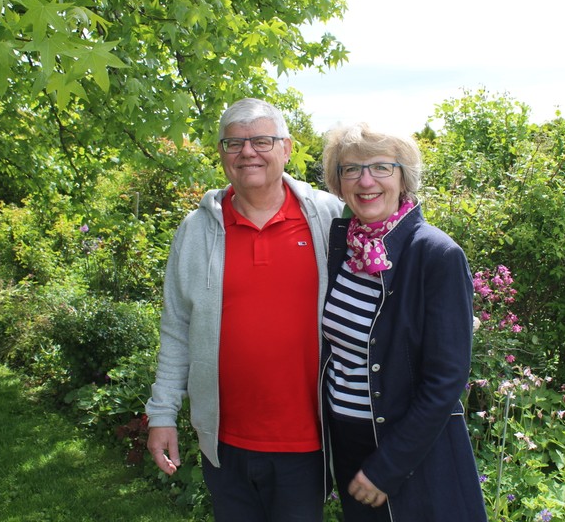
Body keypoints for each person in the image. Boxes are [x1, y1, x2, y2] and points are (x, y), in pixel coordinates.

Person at [145, 98, 343, 522]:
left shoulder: (329, 218)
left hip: (307, 443)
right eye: (234, 143)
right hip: (225, 443)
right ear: (221, 153)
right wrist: (161, 414)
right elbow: (177, 328)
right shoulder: (196, 230)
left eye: (261, 141)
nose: (247, 152)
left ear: (287, 148)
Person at [319, 123, 488, 522]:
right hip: (348, 447)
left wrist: (388, 466)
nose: (365, 181)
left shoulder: (436, 254)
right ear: (338, 182)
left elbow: (446, 378)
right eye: (351, 169)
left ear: (402, 177)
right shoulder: (341, 248)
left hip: (407, 454)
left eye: (381, 167)